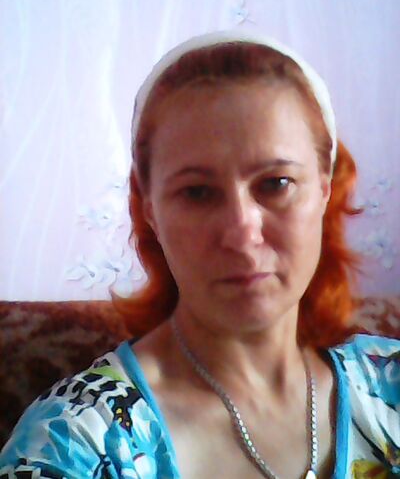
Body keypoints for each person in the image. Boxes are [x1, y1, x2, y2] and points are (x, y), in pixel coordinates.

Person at [0, 31, 399, 479]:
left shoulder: (392, 385)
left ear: (325, 187)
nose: (242, 232)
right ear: (148, 208)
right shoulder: (74, 444)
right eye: (197, 192)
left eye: (276, 184)